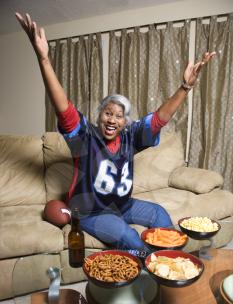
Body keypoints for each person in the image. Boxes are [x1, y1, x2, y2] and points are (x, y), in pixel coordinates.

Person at [15, 12, 216, 251]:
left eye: (119, 116)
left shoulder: (131, 137)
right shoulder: (85, 138)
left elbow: (160, 118)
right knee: (129, 236)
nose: (112, 120)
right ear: (99, 116)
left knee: (159, 215)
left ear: (125, 122)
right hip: (91, 212)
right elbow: (63, 108)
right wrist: (44, 60)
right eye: (107, 113)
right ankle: (156, 267)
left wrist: (185, 87)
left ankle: (172, 262)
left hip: (124, 205)